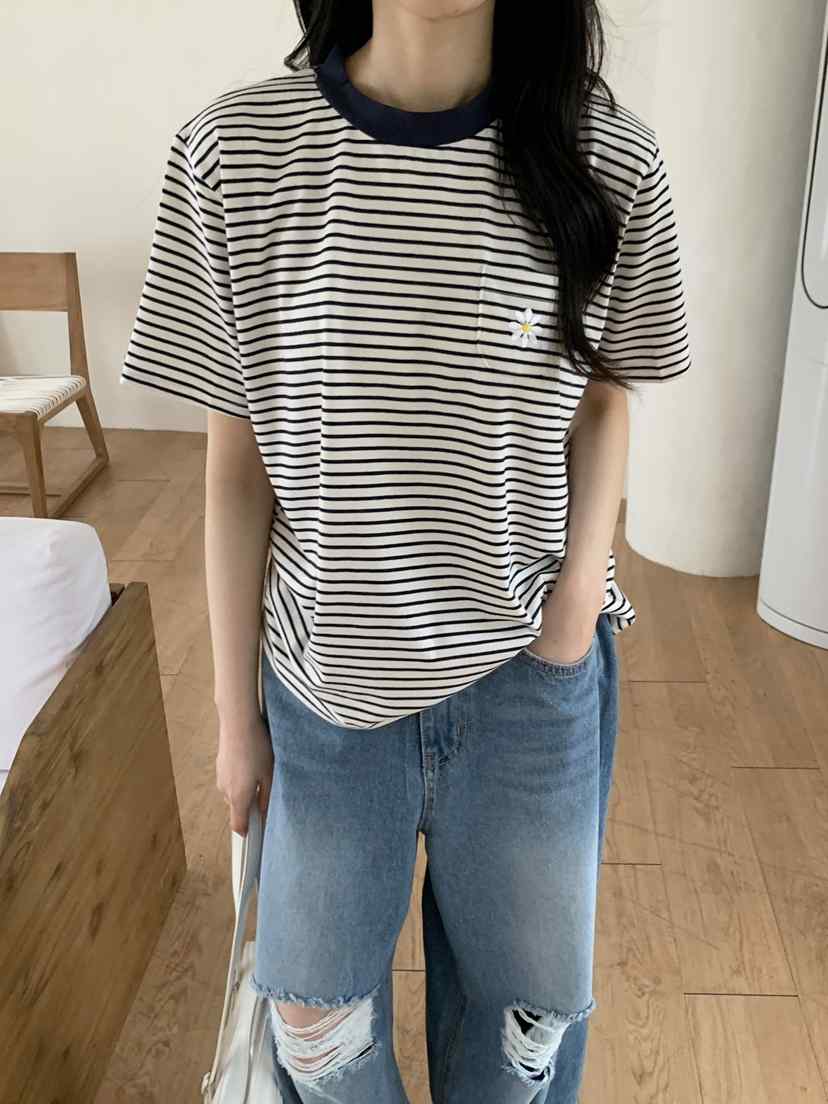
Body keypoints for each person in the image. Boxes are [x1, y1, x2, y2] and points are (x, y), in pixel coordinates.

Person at [120, 1, 692, 1100]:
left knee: (524, 1030)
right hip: (325, 688)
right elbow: (237, 466)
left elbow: (606, 396)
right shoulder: (234, 153)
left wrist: (574, 608)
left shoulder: (609, 155)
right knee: (312, 1024)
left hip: (528, 676)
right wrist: (234, 719)